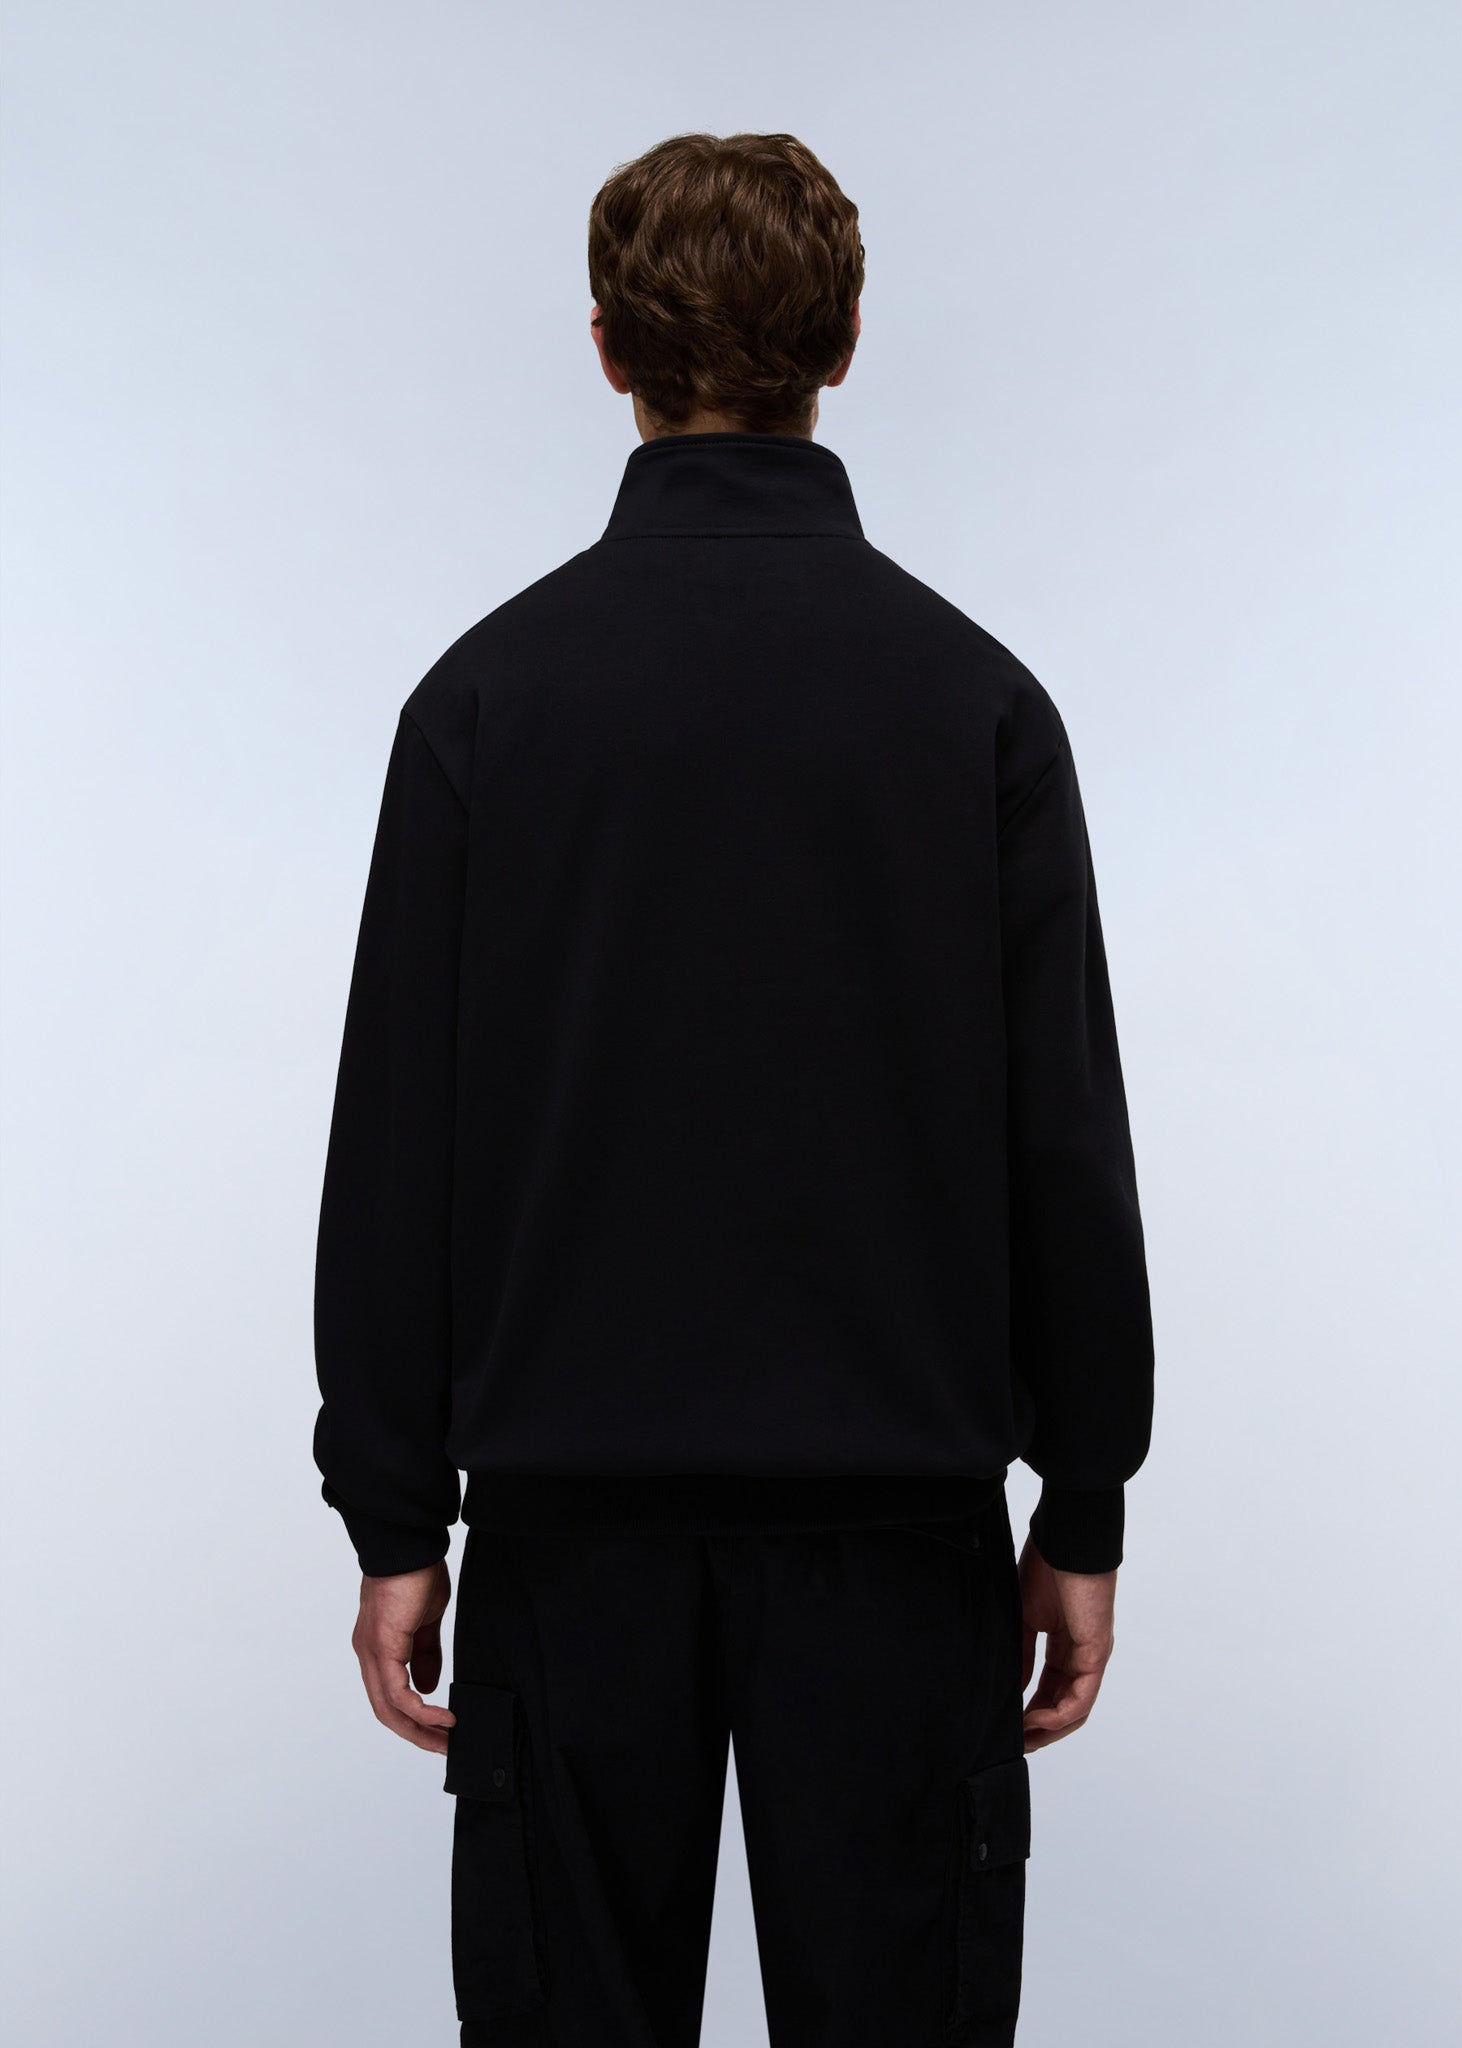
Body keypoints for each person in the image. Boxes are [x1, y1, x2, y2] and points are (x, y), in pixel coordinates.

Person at [312, 129, 1154, 2047]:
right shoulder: (975, 705)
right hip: (897, 1542)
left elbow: (397, 1146)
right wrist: (1084, 1498)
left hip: (569, 1541)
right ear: (842, 344)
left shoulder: (483, 703)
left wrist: (393, 1517)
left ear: (606, 349)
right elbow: (1063, 1144)